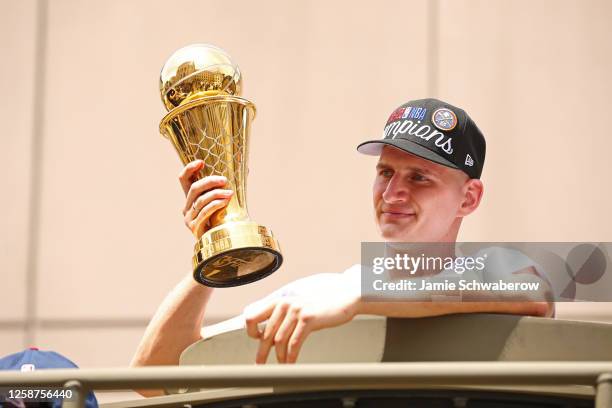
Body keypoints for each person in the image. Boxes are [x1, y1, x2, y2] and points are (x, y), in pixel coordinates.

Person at [130, 98, 554, 396]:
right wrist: (213, 248)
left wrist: (359, 299)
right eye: (385, 172)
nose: (392, 194)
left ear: (469, 198)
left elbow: (535, 291)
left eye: (419, 177)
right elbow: (154, 374)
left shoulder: (494, 269)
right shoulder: (319, 294)